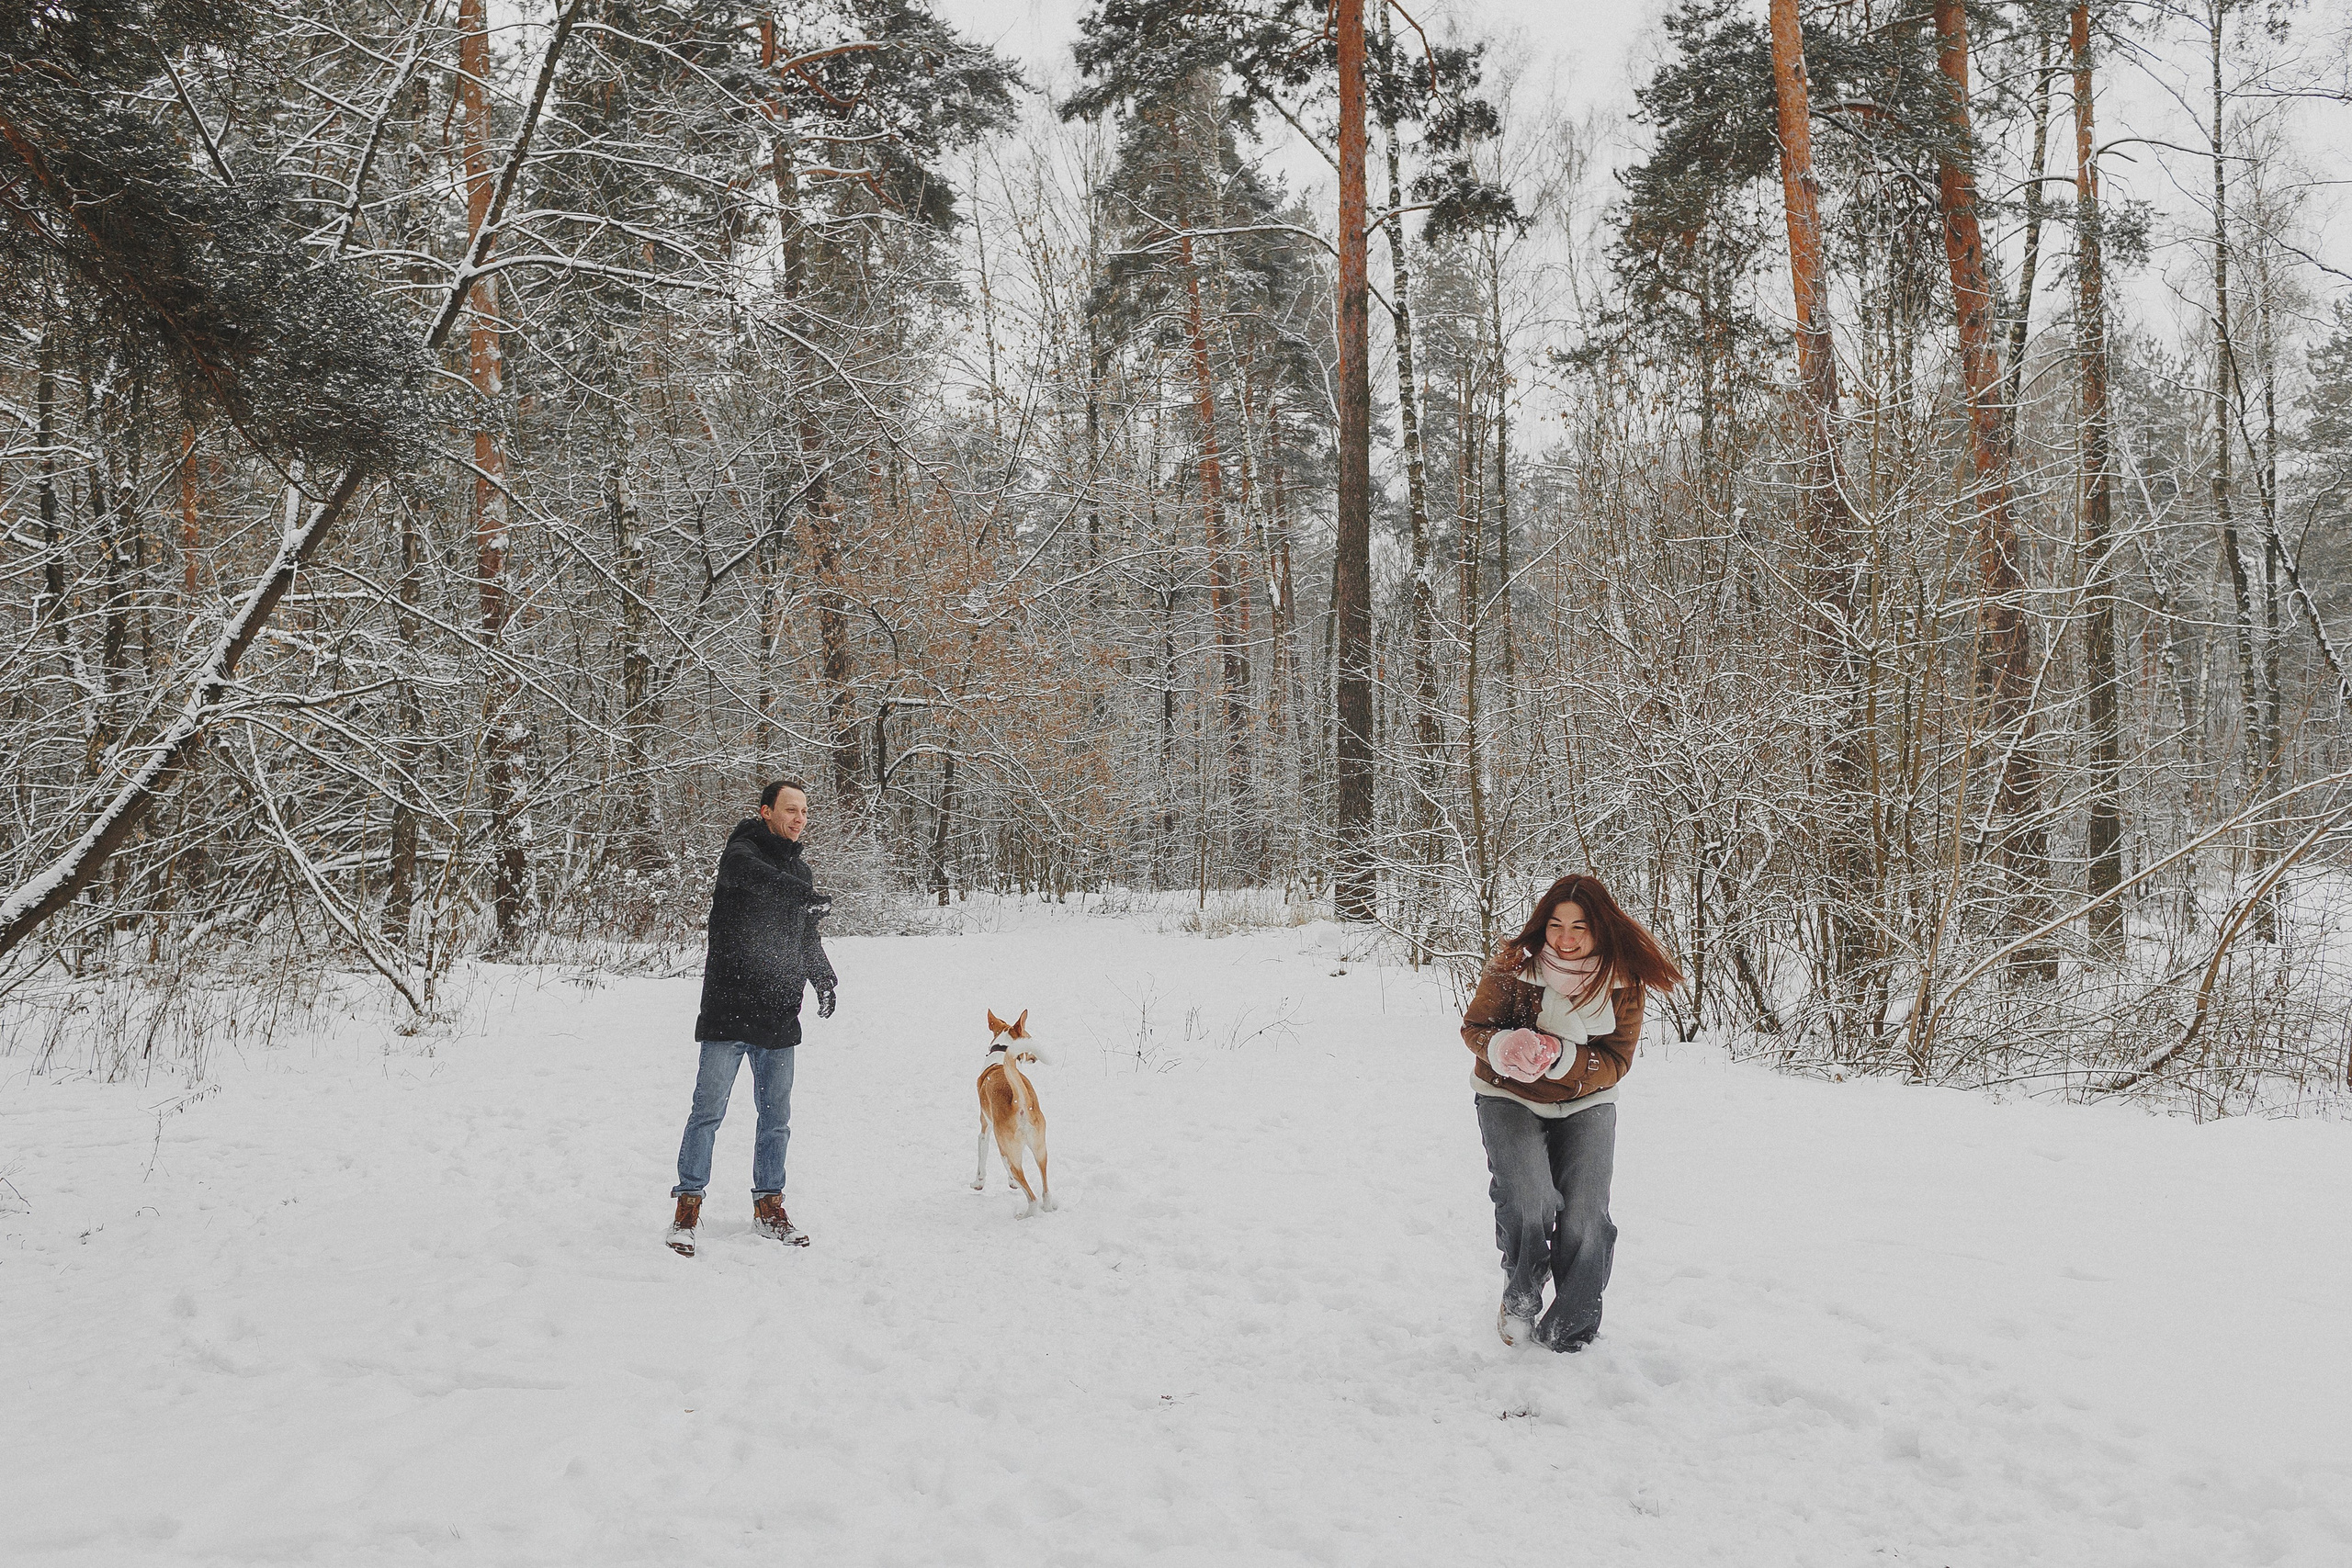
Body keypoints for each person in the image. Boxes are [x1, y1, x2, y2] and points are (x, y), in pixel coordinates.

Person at [1461, 874, 1682, 1351]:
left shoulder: (1623, 979)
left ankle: (1572, 1331)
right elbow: (1475, 1027)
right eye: (1556, 924)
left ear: (1600, 927)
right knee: (1530, 1200)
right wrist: (1506, 1044)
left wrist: (1561, 1056)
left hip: (1588, 1102)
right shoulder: (1515, 963)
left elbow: (1617, 1060)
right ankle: (1519, 1298)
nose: (1565, 938)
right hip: (1508, 1094)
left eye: (1580, 927)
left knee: (1585, 1215)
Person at [666, 779, 838, 1255]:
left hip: (779, 1012)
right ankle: (688, 1207)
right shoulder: (740, 856)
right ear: (766, 812)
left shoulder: (799, 873)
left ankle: (769, 1205)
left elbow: (805, 935)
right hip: (728, 1009)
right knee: (707, 1114)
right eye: (790, 809)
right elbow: (752, 875)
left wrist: (821, 975)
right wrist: (801, 894)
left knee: (776, 1118)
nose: (799, 818)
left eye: (804, 811)